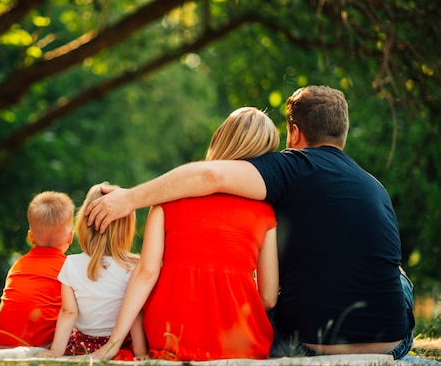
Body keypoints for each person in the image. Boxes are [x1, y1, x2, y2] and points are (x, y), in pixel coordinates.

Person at [85, 85, 415, 360]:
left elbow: (211, 173)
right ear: (341, 134)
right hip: (392, 345)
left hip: (307, 346)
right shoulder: (374, 186)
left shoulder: (291, 166)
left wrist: (128, 199)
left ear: (294, 132)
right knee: (399, 278)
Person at [89, 107, 280, 361]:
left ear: (219, 138)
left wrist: (112, 345)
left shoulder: (167, 199)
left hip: (172, 337)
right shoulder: (266, 212)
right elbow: (268, 298)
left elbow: (146, 273)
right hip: (242, 341)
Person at [37, 183, 147, 359]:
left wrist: (56, 351)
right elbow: (134, 315)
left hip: (83, 345)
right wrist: (141, 353)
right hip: (120, 345)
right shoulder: (133, 267)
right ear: (126, 229)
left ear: (84, 224)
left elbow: (68, 312)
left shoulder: (71, 264)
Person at [0, 191, 75, 348]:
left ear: (31, 237)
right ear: (70, 237)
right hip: (41, 344)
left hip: (2, 341)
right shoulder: (69, 267)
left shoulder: (18, 265)